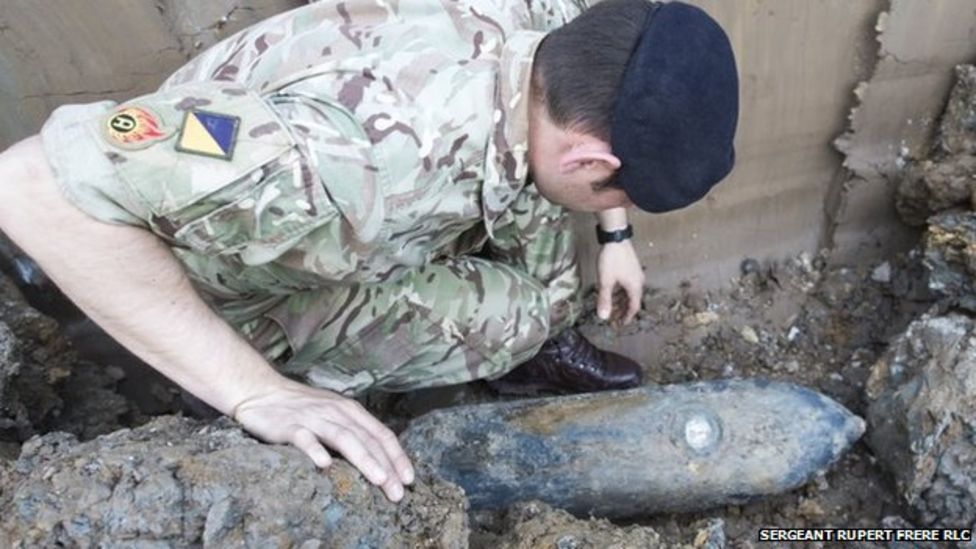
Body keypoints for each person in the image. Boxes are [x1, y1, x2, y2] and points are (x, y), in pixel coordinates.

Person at [0, 0, 737, 503]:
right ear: (587, 159)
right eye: (622, 194)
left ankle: (531, 333)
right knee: (517, 313)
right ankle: (233, 373)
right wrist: (251, 389)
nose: (621, 209)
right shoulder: (333, 170)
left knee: (546, 283)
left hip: (417, 167)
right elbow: (27, 185)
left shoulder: (560, 26)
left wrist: (613, 235)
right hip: (239, 264)